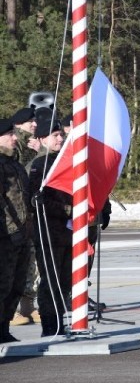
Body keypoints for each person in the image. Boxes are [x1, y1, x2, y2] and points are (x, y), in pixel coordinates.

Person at [28, 117, 69, 337]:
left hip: (65, 233)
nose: (60, 138)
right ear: (42, 139)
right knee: (50, 282)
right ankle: (50, 325)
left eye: (61, 134)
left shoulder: (64, 160)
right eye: (55, 135)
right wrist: (69, 211)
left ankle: (60, 323)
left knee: (64, 282)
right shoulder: (40, 165)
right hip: (48, 232)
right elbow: (37, 200)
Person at [0, 118, 32, 343]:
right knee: (3, 284)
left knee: (17, 285)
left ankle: (4, 327)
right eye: (10, 134)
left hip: (23, 234)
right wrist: (12, 230)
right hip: (6, 237)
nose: (15, 137)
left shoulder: (15, 164)